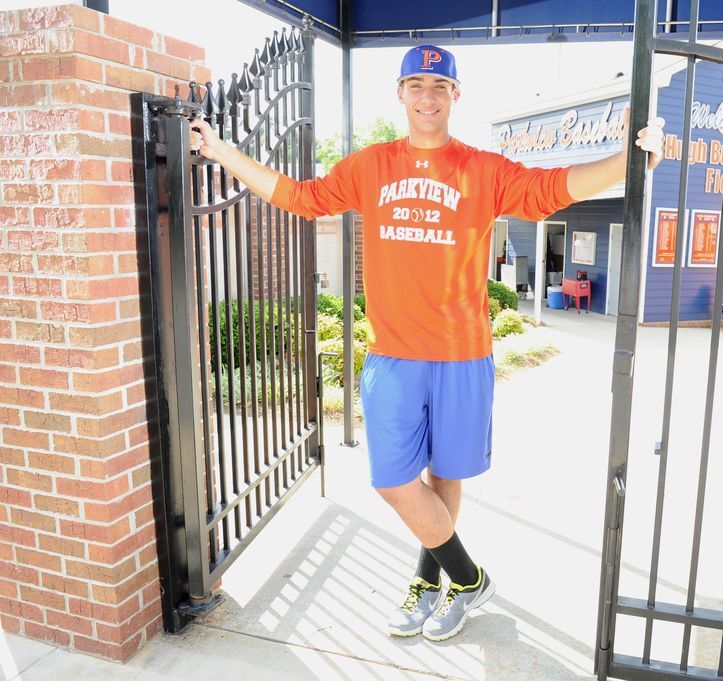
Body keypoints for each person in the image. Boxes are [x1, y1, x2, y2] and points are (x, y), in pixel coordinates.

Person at [189, 44, 664, 642]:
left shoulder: (482, 170)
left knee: (445, 474)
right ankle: (469, 578)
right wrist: (224, 152)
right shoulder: (370, 166)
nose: (428, 96)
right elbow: (299, 197)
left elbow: (554, 187)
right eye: (416, 84)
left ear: (455, 96)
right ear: (401, 93)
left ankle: (431, 584)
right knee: (392, 479)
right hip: (394, 354)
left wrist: (629, 162)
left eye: (439, 87)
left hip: (463, 351)